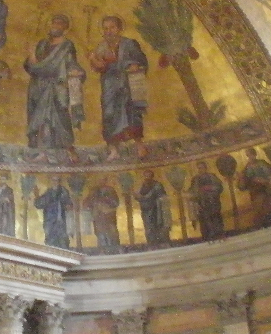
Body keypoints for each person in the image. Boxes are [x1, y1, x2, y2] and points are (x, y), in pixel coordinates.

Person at [87, 15, 148, 160]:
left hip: (127, 83)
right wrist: (93, 59)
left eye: (112, 27)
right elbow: (99, 67)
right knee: (109, 114)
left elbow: (140, 59)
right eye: (105, 28)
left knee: (132, 113)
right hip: (110, 85)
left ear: (119, 29)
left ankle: (139, 146)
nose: (109, 31)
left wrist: (132, 64)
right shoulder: (101, 47)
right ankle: (113, 149)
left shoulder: (129, 44)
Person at [25, 14, 85, 159]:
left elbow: (71, 64)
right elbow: (30, 66)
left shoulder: (67, 46)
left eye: (59, 24)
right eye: (54, 23)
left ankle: (70, 150)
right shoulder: (42, 44)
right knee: (40, 120)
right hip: (38, 87)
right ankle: (42, 152)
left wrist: (77, 72)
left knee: (60, 119)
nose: (55, 26)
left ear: (65, 28)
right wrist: (31, 56)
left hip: (57, 88)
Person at [237, 148, 271, 228]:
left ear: (254, 154)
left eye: (251, 155)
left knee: (270, 206)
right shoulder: (247, 167)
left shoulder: (262, 163)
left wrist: (265, 180)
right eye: (248, 155)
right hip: (256, 191)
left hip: (267, 188)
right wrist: (244, 178)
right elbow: (244, 181)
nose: (250, 157)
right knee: (259, 208)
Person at [33, 176, 72, 249]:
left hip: (60, 221)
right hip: (50, 221)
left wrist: (67, 205)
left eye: (56, 180)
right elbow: (39, 204)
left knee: (62, 240)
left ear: (59, 181)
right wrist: (36, 195)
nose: (54, 182)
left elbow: (68, 204)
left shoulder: (63, 192)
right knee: (50, 240)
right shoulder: (48, 193)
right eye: (53, 180)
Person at [188, 161, 224, 240]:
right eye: (199, 168)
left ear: (205, 168)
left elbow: (220, 187)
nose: (200, 170)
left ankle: (219, 235)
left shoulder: (212, 177)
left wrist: (210, 188)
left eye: (201, 168)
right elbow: (192, 192)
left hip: (213, 202)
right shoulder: (195, 179)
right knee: (204, 221)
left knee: (216, 219)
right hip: (202, 204)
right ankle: (208, 237)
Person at [134, 170, 170, 244]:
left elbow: (161, 195)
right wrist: (137, 196)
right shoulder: (143, 185)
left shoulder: (157, 185)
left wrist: (145, 198)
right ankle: (151, 242)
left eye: (149, 176)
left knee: (158, 225)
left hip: (157, 209)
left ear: (152, 176)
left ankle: (161, 242)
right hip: (146, 210)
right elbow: (140, 196)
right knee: (148, 226)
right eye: (146, 176)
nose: (147, 178)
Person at [84, 180, 120, 247]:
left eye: (103, 179)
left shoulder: (110, 190)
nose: (100, 181)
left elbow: (115, 203)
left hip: (109, 217)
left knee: (111, 234)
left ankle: (113, 247)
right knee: (100, 234)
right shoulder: (94, 191)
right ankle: (103, 248)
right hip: (98, 218)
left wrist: (105, 202)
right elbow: (86, 204)